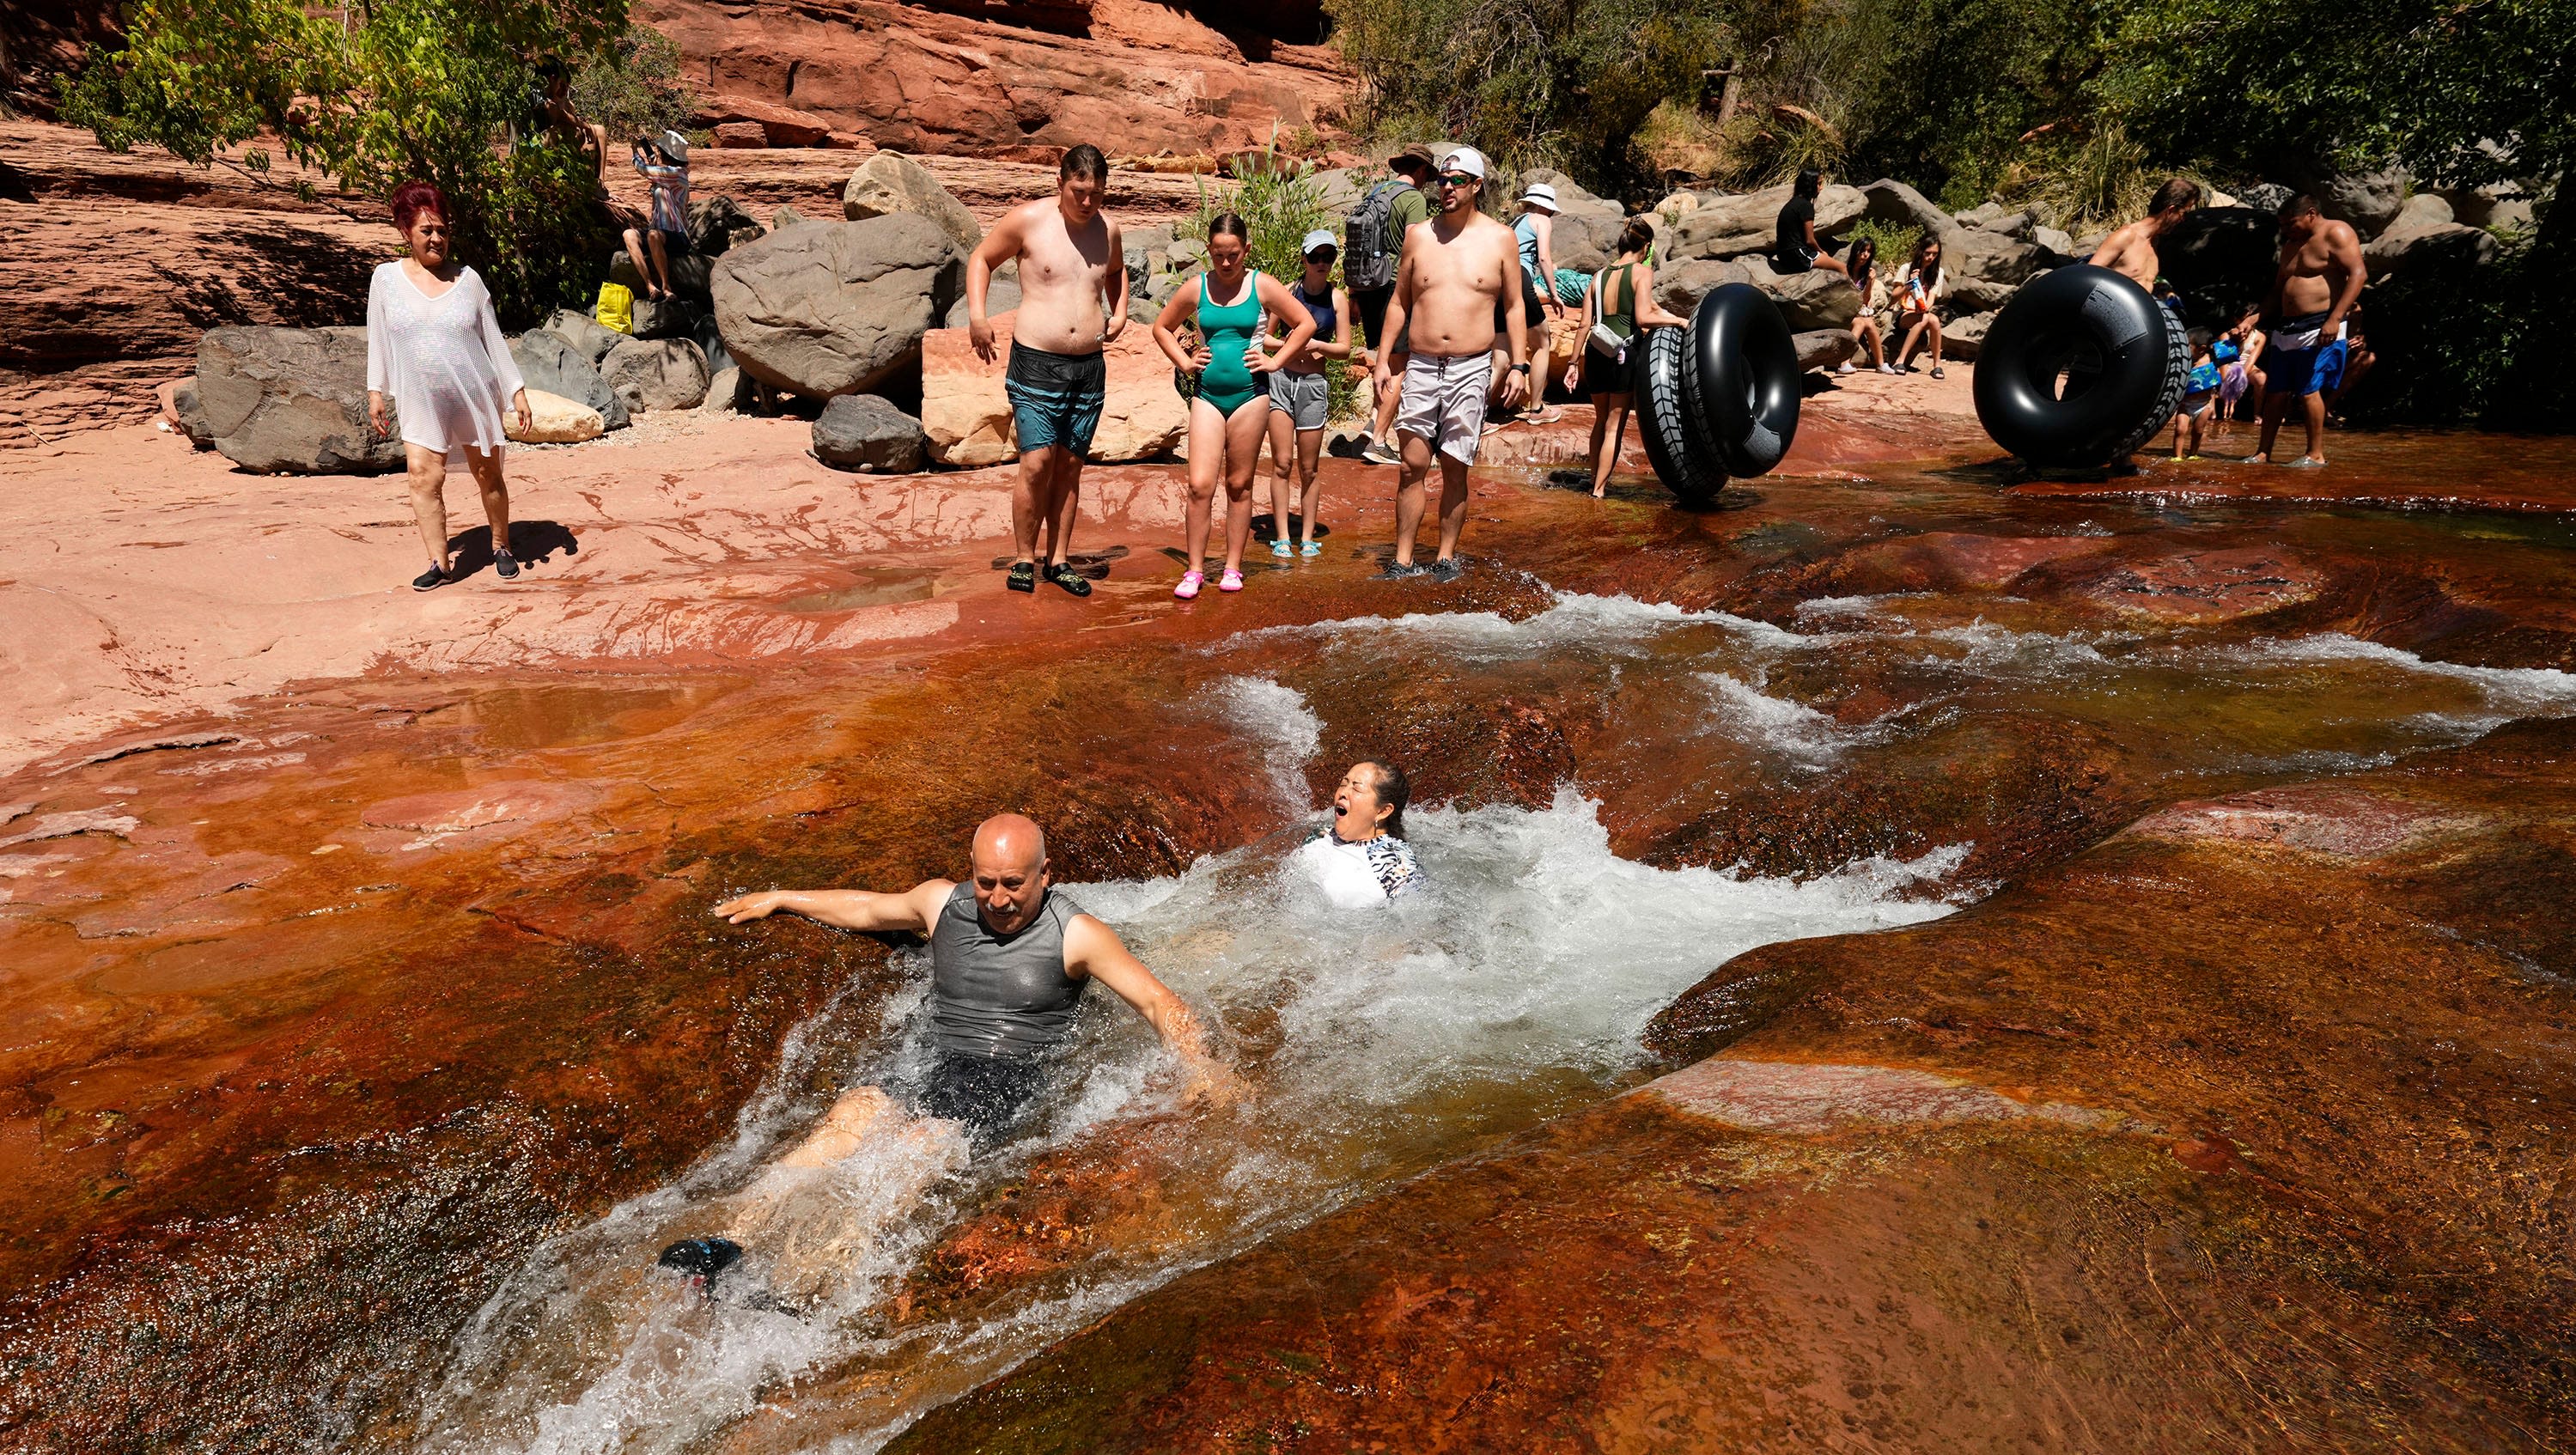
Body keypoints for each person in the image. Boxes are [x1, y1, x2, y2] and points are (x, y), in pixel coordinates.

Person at [711, 814, 1238, 1154]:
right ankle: (731, 1239)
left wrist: (1203, 1066)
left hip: (1009, 1075)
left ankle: (810, 1277)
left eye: (1014, 883)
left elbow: (1156, 1000)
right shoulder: (942, 902)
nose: (999, 899)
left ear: (1045, 875)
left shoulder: (1078, 935)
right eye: (986, 882)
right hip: (932, 1056)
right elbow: (870, 908)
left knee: (923, 1145)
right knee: (851, 1114)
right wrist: (784, 897)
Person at [970, 143, 1128, 596]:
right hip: (1037, 361)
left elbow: (1116, 272)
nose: (1087, 201)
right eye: (1079, 190)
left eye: (1096, 193)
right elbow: (980, 259)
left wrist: (1119, 311)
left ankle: (1058, 560)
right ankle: (1024, 557)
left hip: (1089, 367)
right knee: (1037, 463)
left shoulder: (1108, 230)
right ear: (1060, 183)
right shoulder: (1029, 221)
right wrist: (978, 316)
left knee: (1071, 465)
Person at [365, 181, 533, 593]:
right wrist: (375, 391)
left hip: (473, 395)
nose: (437, 238)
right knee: (423, 477)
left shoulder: (468, 281)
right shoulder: (386, 279)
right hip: (419, 399)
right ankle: (439, 562)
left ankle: (500, 544)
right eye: (427, 231)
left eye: (442, 230)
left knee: (487, 474)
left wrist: (516, 390)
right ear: (406, 232)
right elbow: (379, 337)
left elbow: (493, 339)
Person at [1373, 147, 1530, 581]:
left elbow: (1514, 307)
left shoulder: (1501, 238)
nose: (1446, 187)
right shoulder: (1418, 235)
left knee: (1454, 465)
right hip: (1422, 363)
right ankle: (1402, 561)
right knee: (1411, 465)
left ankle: (1444, 558)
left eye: (1457, 180)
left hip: (1472, 364)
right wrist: (1383, 360)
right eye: (1443, 179)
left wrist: (1519, 365)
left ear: (1476, 185)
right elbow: (1400, 301)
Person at [1151, 213, 1314, 598]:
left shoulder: (1262, 284)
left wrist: (1275, 361)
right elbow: (1161, 327)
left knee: (1239, 485)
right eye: (1219, 255)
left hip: (1251, 395)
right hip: (1207, 394)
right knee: (1199, 485)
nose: (1226, 263)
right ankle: (1194, 570)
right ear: (1209, 250)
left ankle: (1233, 567)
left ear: (1246, 250)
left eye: (1234, 255)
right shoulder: (1197, 287)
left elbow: (1304, 323)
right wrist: (1185, 362)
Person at [1563, 216, 1687, 497]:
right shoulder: (1641, 273)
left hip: (1596, 351)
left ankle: (1594, 480)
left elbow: (1584, 324)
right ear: (1645, 246)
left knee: (1599, 420)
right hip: (1624, 352)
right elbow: (1643, 316)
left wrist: (1572, 363)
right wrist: (1678, 323)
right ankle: (1599, 490)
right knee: (1613, 426)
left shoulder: (1598, 276)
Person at [2246, 192, 2366, 467]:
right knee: (2276, 391)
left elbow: (2358, 274)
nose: (2286, 229)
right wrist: (2253, 319)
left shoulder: (2336, 232)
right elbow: (2279, 290)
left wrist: (2335, 319)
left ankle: (2315, 454)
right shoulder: (2292, 245)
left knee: (2308, 389)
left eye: (2291, 223)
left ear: (2311, 214)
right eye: (2283, 225)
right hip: (2287, 327)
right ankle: (2263, 452)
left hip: (2321, 323)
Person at [1262, 229, 1353, 558]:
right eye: (1315, 257)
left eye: (1328, 257)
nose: (1321, 264)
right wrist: (1294, 343)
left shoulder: (1337, 298)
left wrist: (1317, 345)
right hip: (1282, 381)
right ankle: (1283, 535)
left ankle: (1308, 536)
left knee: (1310, 467)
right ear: (1303, 258)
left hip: (1314, 386)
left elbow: (1344, 348)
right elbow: (1266, 338)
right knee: (1282, 462)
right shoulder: (1288, 292)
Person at [1351, 146, 1436, 468]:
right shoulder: (1413, 199)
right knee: (1401, 367)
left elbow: (1357, 248)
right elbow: (1415, 244)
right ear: (1422, 171)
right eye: (1429, 175)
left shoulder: (1376, 193)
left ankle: (1374, 422)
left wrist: (1355, 295)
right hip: (1393, 288)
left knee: (1384, 360)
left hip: (1368, 286)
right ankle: (1379, 441)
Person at [1292, 762, 1426, 908]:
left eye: (1356, 788)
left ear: (1382, 811)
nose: (1342, 793)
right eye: (1344, 784)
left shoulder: (1395, 865)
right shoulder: (1319, 836)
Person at [1508, 181, 1570, 424]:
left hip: (1501, 282)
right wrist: (1554, 294)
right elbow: (1543, 257)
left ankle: (1476, 416)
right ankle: (1536, 409)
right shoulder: (1542, 220)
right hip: (1520, 278)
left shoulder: (1516, 222)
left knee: (1502, 355)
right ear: (1546, 207)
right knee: (1542, 343)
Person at [2089, 178, 2205, 290]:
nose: (2183, 219)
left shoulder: (2155, 241)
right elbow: (2086, 277)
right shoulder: (2126, 237)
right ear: (2170, 210)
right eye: (2184, 213)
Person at [622, 131, 691, 303]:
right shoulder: (667, 175)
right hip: (659, 234)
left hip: (678, 235)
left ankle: (667, 287)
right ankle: (650, 286)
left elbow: (642, 169)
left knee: (653, 235)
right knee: (628, 234)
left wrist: (634, 151)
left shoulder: (677, 173)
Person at [1833, 236, 1897, 376]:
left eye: (1869, 251)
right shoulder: (1844, 270)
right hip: (1841, 312)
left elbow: (1865, 300)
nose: (1865, 254)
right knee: (1862, 323)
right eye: (1862, 250)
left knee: (1868, 322)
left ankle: (1880, 364)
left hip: (1857, 312)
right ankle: (1844, 363)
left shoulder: (1866, 274)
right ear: (1855, 250)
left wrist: (1870, 282)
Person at [1772, 168, 1848, 277]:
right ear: (1810, 185)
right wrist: (1822, 253)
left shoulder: (1793, 202)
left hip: (1783, 255)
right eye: (1819, 184)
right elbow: (1810, 240)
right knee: (1842, 268)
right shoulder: (1805, 206)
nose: (1821, 188)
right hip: (1797, 255)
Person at [1891, 237, 1947, 378]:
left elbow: (1931, 299)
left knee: (1933, 320)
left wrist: (1923, 308)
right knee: (1924, 319)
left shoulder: (1938, 272)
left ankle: (1937, 365)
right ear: (1920, 251)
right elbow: (1894, 297)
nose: (1930, 257)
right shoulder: (1906, 268)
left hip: (1922, 312)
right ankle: (1900, 360)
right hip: (1903, 313)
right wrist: (1909, 284)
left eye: (1935, 254)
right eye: (1928, 253)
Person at [2170, 328, 2221, 459]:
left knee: (2198, 432)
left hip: (2203, 405)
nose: (2184, 349)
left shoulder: (2211, 359)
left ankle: (2193, 454)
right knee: (2180, 430)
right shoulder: (2185, 362)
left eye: (2188, 346)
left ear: (2201, 348)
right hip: (2185, 403)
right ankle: (2177, 457)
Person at [2217, 304, 2266, 420]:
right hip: (2227, 367)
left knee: (2261, 377)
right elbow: (2223, 362)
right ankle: (2212, 412)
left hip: (2247, 368)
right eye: (2243, 320)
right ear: (2236, 320)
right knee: (2211, 374)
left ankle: (2257, 414)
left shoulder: (2260, 337)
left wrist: (2239, 381)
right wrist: (2226, 382)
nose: (2246, 324)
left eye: (2250, 320)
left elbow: (2251, 359)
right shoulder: (2225, 336)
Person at [2328, 306, 2376, 419]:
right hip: (2314, 355)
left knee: (2368, 358)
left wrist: (2359, 343)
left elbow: (2355, 339)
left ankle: (2326, 407)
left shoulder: (2354, 309)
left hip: (2336, 358)